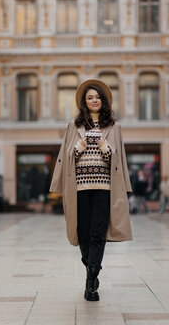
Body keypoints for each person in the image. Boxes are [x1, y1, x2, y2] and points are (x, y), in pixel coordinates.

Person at [50, 79, 132, 302]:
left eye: (97, 97)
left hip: (104, 188)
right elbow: (66, 157)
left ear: (102, 101)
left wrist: (107, 148)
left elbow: (119, 160)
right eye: (90, 98)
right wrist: (78, 147)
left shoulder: (114, 127)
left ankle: (90, 282)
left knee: (98, 234)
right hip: (79, 188)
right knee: (83, 233)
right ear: (84, 103)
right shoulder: (73, 126)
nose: (94, 100)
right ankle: (92, 267)